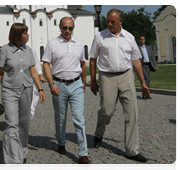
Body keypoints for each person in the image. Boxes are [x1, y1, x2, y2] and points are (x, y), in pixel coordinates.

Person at [89, 9, 150, 163]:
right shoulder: (100, 36)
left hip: (126, 76)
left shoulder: (129, 37)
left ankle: (132, 150)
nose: (109, 24)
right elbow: (92, 59)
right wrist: (93, 81)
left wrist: (143, 82)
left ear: (120, 21)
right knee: (107, 111)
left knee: (132, 113)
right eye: (108, 21)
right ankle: (99, 132)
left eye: (113, 21)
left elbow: (136, 61)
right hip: (107, 77)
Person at [0, 23, 45, 170]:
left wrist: (40, 89)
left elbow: (33, 70)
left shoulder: (29, 50)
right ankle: (13, 160)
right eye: (25, 33)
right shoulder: (4, 50)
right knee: (11, 123)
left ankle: (21, 152)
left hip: (26, 90)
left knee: (24, 123)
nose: (28, 35)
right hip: (9, 91)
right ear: (18, 34)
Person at [42, 17, 90, 168]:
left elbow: (83, 64)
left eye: (70, 28)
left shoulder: (79, 44)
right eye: (64, 28)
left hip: (76, 84)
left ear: (73, 27)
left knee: (78, 118)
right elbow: (46, 64)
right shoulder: (52, 43)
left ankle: (83, 153)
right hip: (59, 84)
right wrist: (51, 84)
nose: (67, 31)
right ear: (60, 27)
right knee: (60, 117)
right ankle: (61, 142)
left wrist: (83, 81)